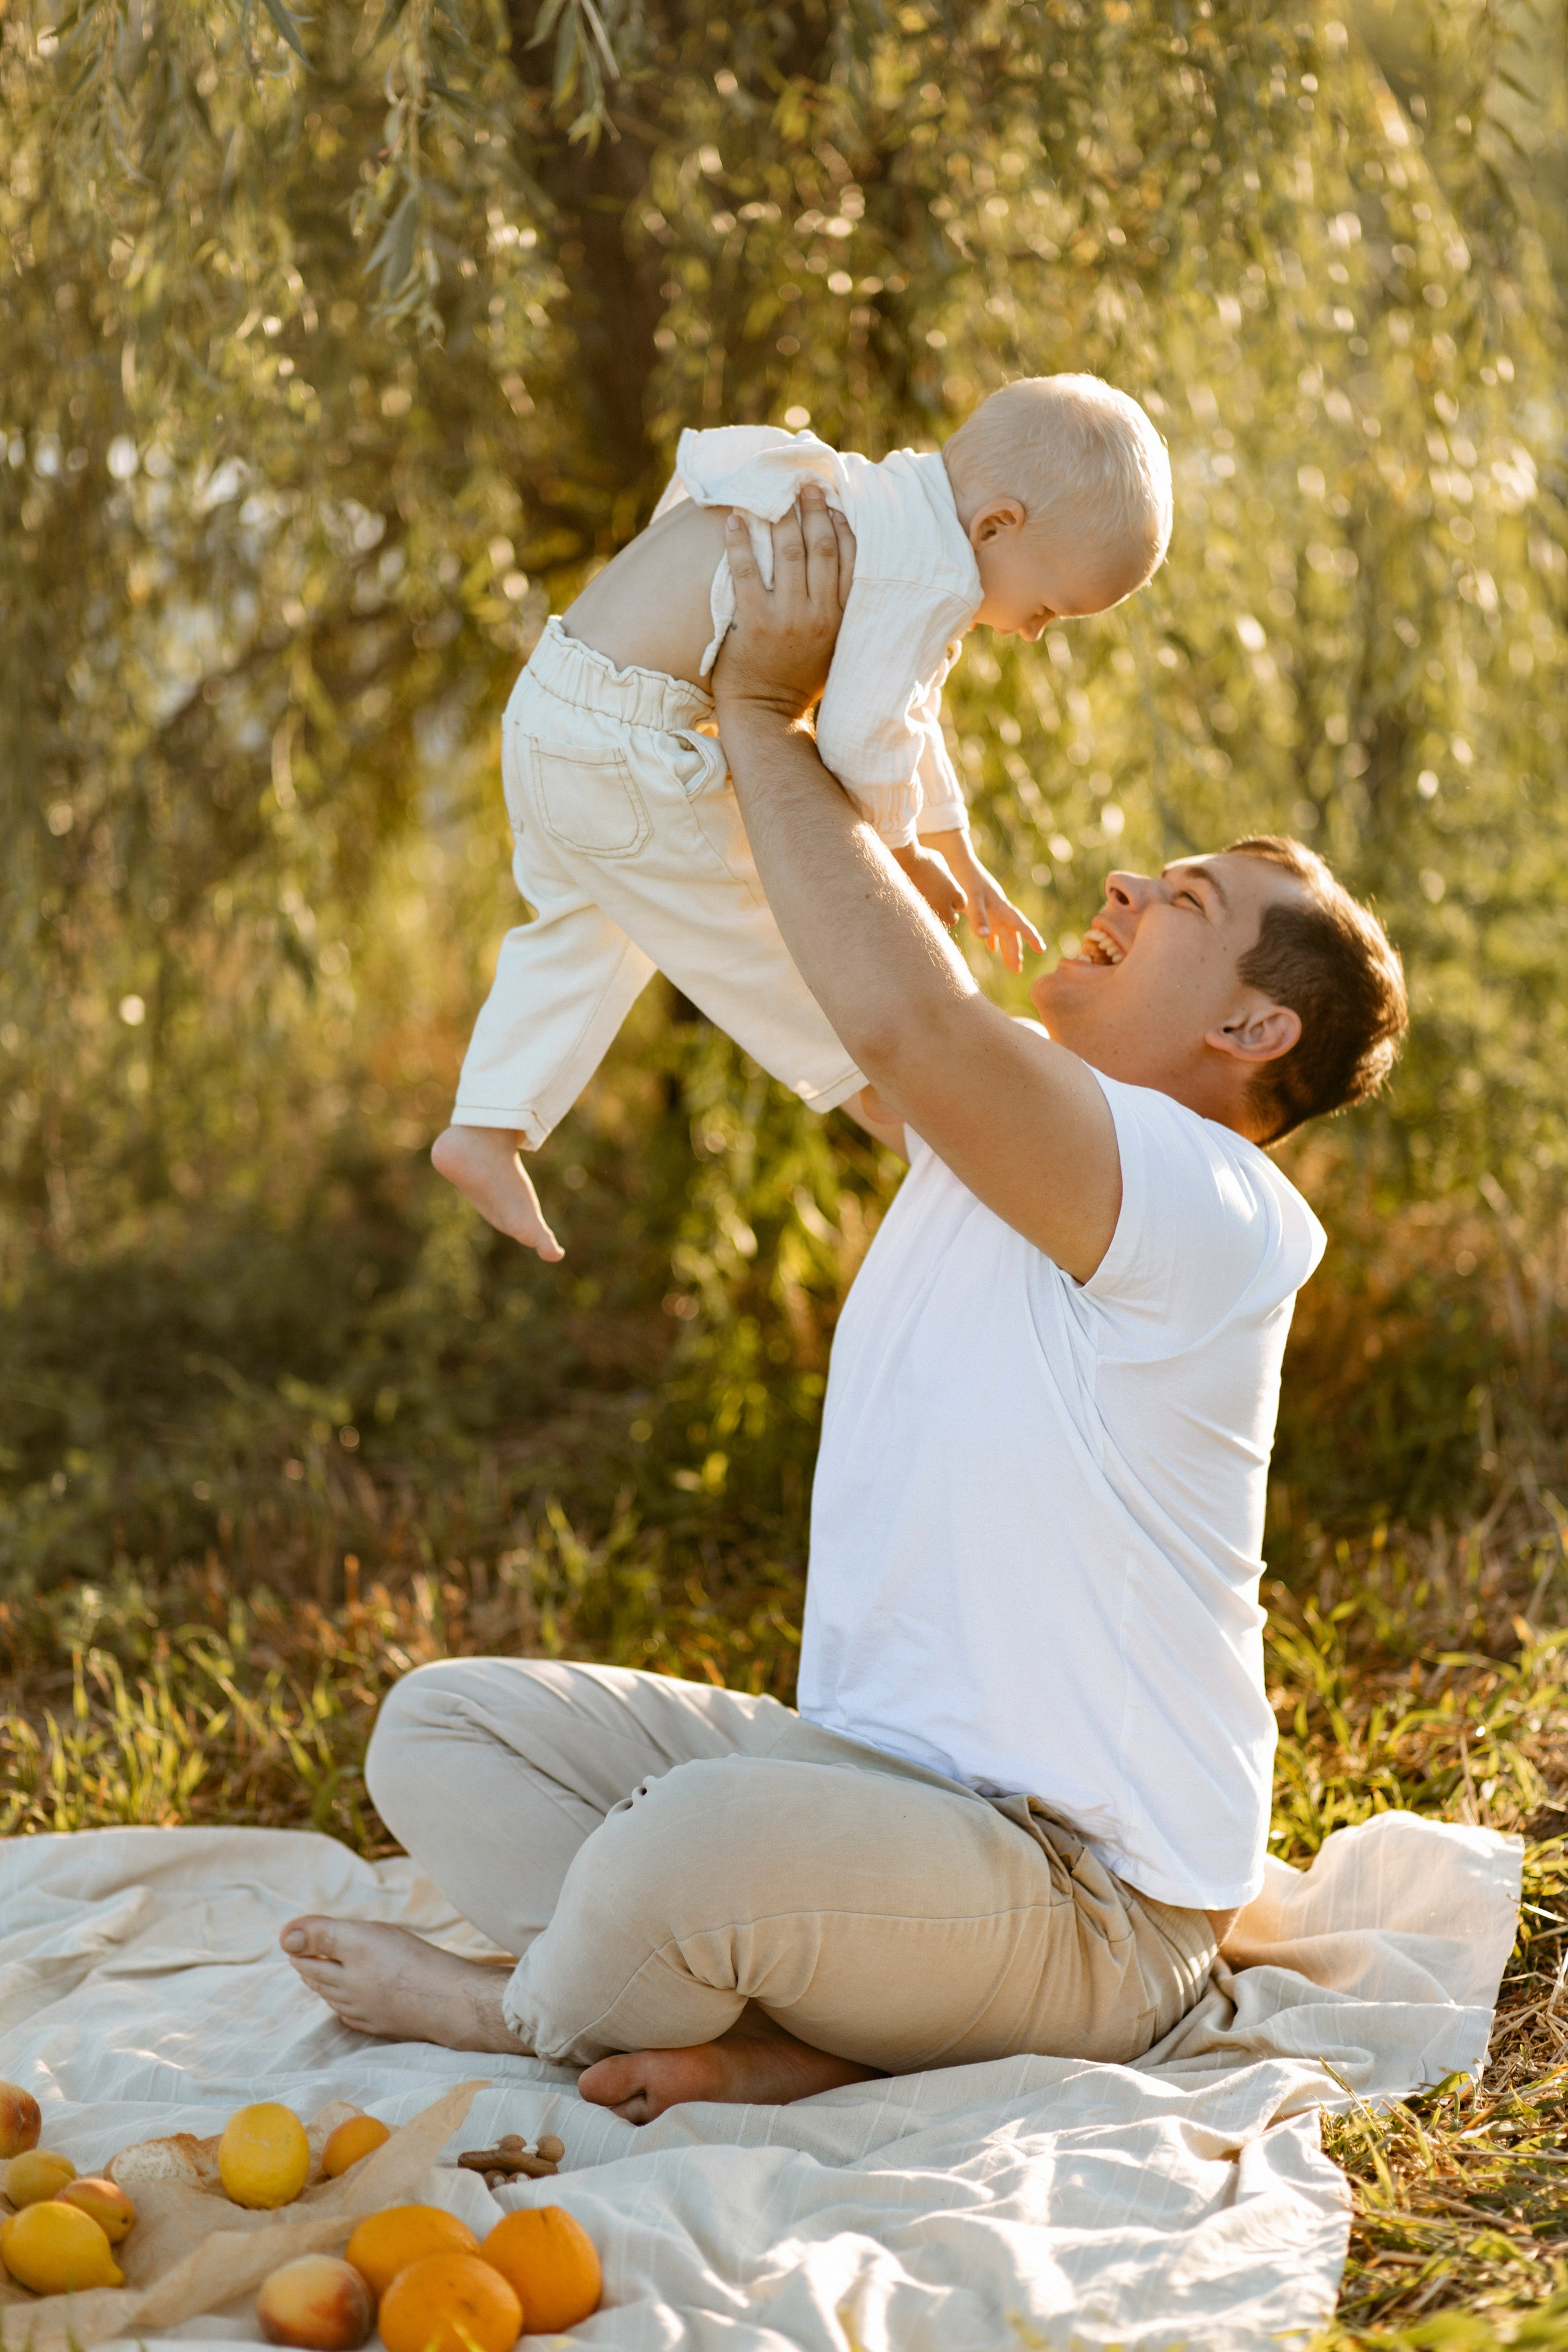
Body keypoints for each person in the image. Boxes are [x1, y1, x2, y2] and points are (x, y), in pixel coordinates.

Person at [282, 492, 1408, 2123]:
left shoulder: (1214, 1206)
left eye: (1186, 900)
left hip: (1089, 1900)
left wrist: (762, 711)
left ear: (1247, 1031)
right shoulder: (1007, 1148)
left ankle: (516, 2011)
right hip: (896, 1804)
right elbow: (823, 972)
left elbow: (904, 1018)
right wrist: (666, 727)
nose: (1123, 880)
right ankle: (785, 2034)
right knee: (443, 1731)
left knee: (682, 1853)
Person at [432, 376, 1172, 1261]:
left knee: (590, 928)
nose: (1032, 634)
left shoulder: (888, 506)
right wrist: (894, 863)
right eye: (1047, 609)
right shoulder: (926, 573)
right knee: (795, 949)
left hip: (557, 711)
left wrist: (958, 859)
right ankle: (936, 1116)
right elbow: (861, 740)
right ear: (997, 527)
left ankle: (486, 1125)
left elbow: (909, 720)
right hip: (627, 745)